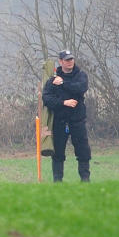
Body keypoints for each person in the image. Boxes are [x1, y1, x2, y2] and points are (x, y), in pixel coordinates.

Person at [42, 49, 91, 182]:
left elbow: (80, 88)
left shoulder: (81, 75)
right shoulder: (53, 80)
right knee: (58, 153)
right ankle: (57, 181)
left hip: (77, 121)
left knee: (83, 152)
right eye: (67, 60)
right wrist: (64, 102)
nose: (70, 62)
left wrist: (63, 83)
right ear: (61, 61)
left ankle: (85, 179)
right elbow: (46, 99)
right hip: (60, 122)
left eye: (71, 59)